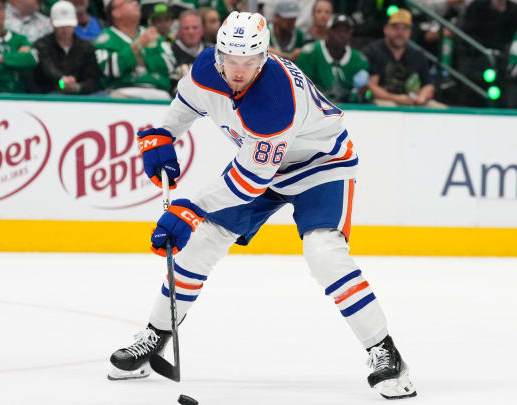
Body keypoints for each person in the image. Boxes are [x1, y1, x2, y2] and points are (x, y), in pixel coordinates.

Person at [106, 11, 418, 401]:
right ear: (217, 54)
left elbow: (249, 181)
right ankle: (155, 335)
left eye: (249, 62)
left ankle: (385, 352)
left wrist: (191, 208)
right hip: (261, 162)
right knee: (202, 243)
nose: (238, 72)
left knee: (324, 253)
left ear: (265, 57)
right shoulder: (207, 67)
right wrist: (164, 134)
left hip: (321, 165)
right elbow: (188, 100)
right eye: (231, 61)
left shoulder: (275, 99)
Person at [363, 8, 445, 108]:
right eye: (395, 27)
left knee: (439, 108)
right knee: (388, 107)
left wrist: (421, 98)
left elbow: (429, 84)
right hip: (384, 100)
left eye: (405, 28)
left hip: (412, 100)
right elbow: (370, 87)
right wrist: (396, 98)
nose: (400, 32)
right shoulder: (373, 51)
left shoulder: (418, 55)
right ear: (386, 29)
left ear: (410, 32)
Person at [94, 0, 172, 99]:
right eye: (129, 2)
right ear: (116, 12)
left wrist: (136, 58)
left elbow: (170, 65)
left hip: (160, 93)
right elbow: (111, 68)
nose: (136, 3)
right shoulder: (106, 37)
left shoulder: (151, 33)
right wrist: (140, 44)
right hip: (123, 93)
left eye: (136, 1)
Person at [297, 14, 369, 103]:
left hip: (349, 112)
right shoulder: (309, 54)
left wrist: (358, 93)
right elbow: (301, 89)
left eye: (346, 31)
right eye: (338, 31)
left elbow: (361, 95)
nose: (342, 35)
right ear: (328, 31)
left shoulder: (359, 60)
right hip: (315, 109)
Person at [31, 0, 99, 93]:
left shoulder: (86, 48)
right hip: (49, 97)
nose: (65, 30)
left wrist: (77, 87)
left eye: (68, 25)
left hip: (81, 98)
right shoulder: (41, 45)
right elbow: (47, 70)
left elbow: (93, 80)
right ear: (52, 23)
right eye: (61, 26)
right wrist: (62, 82)